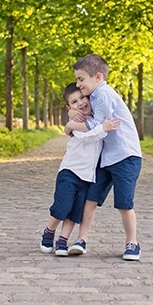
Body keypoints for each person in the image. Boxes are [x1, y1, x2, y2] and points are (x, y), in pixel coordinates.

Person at [64, 54, 143, 261]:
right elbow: (82, 110)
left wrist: (71, 126)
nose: (78, 85)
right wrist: (71, 116)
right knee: (90, 198)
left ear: (97, 77)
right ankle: (81, 239)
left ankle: (132, 242)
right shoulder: (94, 95)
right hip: (107, 158)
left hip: (125, 156)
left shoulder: (104, 94)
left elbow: (96, 125)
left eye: (81, 79)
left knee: (124, 203)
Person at [40, 82, 120, 256]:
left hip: (87, 177)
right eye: (75, 102)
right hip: (70, 172)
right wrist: (103, 129)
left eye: (83, 98)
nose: (81, 103)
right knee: (63, 206)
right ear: (70, 108)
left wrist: (102, 126)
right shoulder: (75, 122)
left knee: (75, 211)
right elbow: (87, 137)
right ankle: (49, 231)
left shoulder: (97, 118)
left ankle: (63, 240)